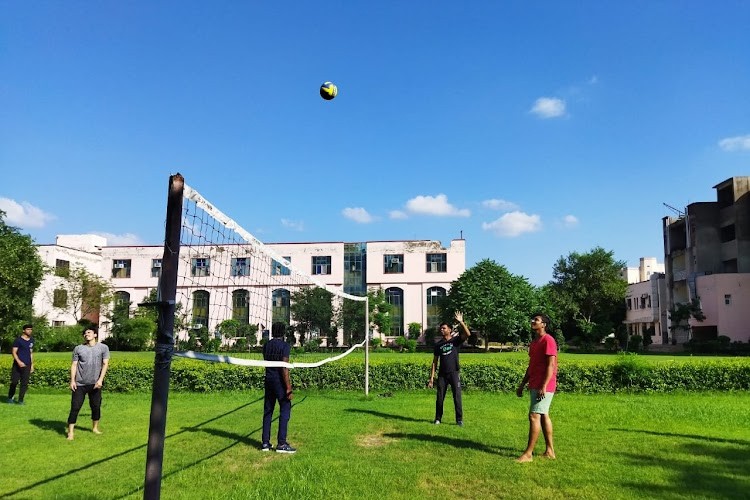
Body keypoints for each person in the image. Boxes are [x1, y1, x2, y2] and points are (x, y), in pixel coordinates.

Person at [516, 313, 558, 462]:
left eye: (537, 320)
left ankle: (528, 454)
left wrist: (544, 386)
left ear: (544, 324)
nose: (533, 321)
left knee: (534, 416)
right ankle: (550, 451)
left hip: (544, 385)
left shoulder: (548, 340)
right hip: (535, 383)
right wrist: (522, 384)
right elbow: (531, 366)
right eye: (533, 319)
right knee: (543, 415)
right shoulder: (534, 343)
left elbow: (550, 365)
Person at [428, 311, 471, 426]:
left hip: (454, 373)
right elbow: (434, 362)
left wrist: (461, 322)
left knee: (457, 397)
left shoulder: (455, 341)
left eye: (444, 328)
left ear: (450, 330)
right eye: (441, 328)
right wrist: (432, 378)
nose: (441, 330)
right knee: (440, 398)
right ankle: (438, 418)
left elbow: (468, 334)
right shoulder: (438, 345)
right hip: (442, 375)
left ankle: (459, 420)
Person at [67, 327, 110, 440]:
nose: (86, 334)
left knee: (96, 406)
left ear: (95, 335)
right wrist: (72, 380)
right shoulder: (78, 348)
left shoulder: (103, 348)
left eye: (89, 332)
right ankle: (70, 432)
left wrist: (100, 380)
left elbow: (105, 364)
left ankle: (95, 428)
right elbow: (74, 365)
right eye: (85, 333)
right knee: (75, 407)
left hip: (95, 384)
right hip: (79, 384)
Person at [261, 322, 295, 453]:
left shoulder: (267, 345)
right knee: (285, 409)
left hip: (268, 379)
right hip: (279, 381)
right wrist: (288, 387)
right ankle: (281, 444)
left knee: (268, 411)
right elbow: (284, 367)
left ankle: (265, 443)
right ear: (283, 333)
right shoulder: (285, 346)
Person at [7, 324, 34, 405]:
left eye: (31, 329)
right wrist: (19, 362)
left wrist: (32, 365)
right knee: (14, 382)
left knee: (24, 383)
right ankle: (10, 397)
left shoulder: (31, 340)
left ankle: (20, 400)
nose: (30, 331)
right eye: (28, 329)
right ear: (24, 330)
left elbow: (31, 353)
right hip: (17, 365)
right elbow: (14, 352)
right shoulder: (18, 340)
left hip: (27, 365)